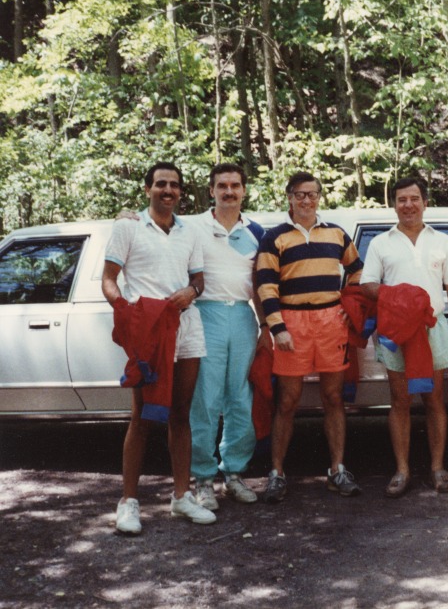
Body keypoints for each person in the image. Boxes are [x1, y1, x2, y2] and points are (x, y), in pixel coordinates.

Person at [102, 162, 216, 534]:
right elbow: (109, 279)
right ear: (148, 187)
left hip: (187, 327)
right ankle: (128, 502)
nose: (168, 190)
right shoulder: (128, 226)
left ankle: (181, 497)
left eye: (175, 185)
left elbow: (198, 278)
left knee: (180, 412)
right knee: (143, 415)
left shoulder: (189, 231)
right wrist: (129, 316)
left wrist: (192, 291)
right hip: (148, 330)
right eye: (161, 184)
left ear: (182, 192)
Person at [255, 171, 363, 502]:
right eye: (300, 194)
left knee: (333, 397)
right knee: (287, 400)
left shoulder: (336, 234)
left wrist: (349, 302)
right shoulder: (275, 237)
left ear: (319, 197)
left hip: (331, 320)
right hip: (293, 321)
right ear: (289, 197)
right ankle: (276, 472)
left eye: (312, 194)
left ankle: (337, 469)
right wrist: (278, 327)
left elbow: (357, 269)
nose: (306, 200)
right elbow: (265, 285)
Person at [360, 177, 448, 498]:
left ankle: (438, 468)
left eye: (414, 198)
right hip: (395, 332)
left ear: (425, 202)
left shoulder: (442, 240)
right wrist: (401, 296)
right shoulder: (381, 243)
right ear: (393, 204)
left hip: (432, 328)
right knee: (400, 400)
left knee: (434, 399)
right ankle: (402, 470)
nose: (408, 205)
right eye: (401, 199)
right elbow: (367, 285)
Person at [189, 163, 268, 510]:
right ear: (211, 191)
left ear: (244, 190)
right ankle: (202, 479)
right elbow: (156, 233)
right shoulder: (190, 226)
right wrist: (130, 217)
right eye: (222, 185)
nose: (229, 191)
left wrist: (265, 325)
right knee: (205, 399)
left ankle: (234, 473)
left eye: (235, 185)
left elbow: (263, 283)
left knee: (240, 397)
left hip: (242, 314)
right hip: (205, 314)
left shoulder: (256, 231)